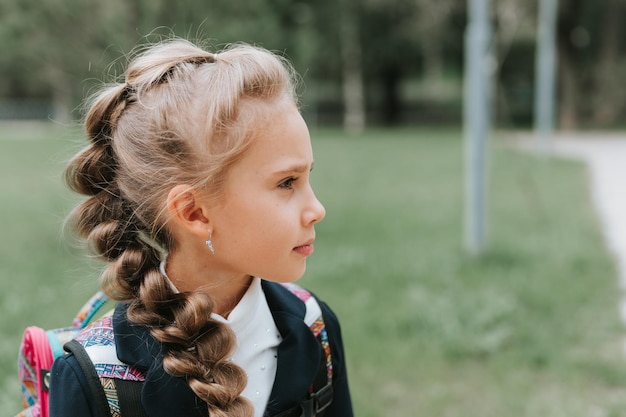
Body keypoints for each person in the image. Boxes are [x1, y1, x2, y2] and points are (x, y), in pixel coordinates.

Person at [49, 38, 353, 417]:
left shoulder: (316, 328)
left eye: (308, 177)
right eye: (286, 183)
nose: (317, 209)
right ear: (194, 213)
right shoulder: (95, 376)